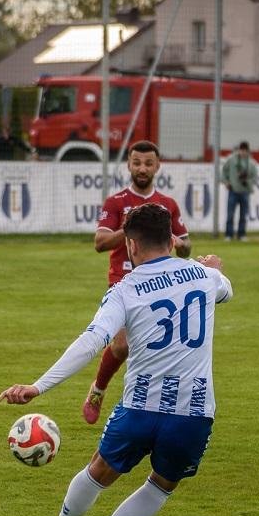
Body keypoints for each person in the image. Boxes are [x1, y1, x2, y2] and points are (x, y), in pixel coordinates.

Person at [0, 203, 232, 516]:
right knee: (161, 485)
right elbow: (225, 289)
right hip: (193, 410)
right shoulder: (203, 276)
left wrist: (38, 387)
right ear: (172, 240)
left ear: (132, 247)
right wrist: (214, 269)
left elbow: (92, 341)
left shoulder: (125, 289)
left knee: (99, 469)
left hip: (139, 407)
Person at [82, 140, 191, 425]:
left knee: (158, 346)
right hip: (124, 281)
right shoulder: (116, 202)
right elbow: (100, 243)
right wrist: (129, 226)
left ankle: (151, 403)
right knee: (121, 346)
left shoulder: (167, 205)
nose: (142, 168)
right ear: (129, 165)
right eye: (137, 163)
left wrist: (180, 244)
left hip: (163, 284)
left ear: (157, 166)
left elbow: (187, 244)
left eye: (148, 163)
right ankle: (98, 390)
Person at [220, 141, 258, 241]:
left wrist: (247, 181)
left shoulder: (252, 163)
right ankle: (228, 235)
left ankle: (242, 235)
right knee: (230, 214)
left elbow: (255, 177)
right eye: (242, 150)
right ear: (239, 150)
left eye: (245, 151)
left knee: (243, 215)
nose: (243, 153)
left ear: (248, 151)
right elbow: (223, 171)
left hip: (245, 191)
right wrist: (226, 182)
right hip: (233, 190)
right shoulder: (231, 160)